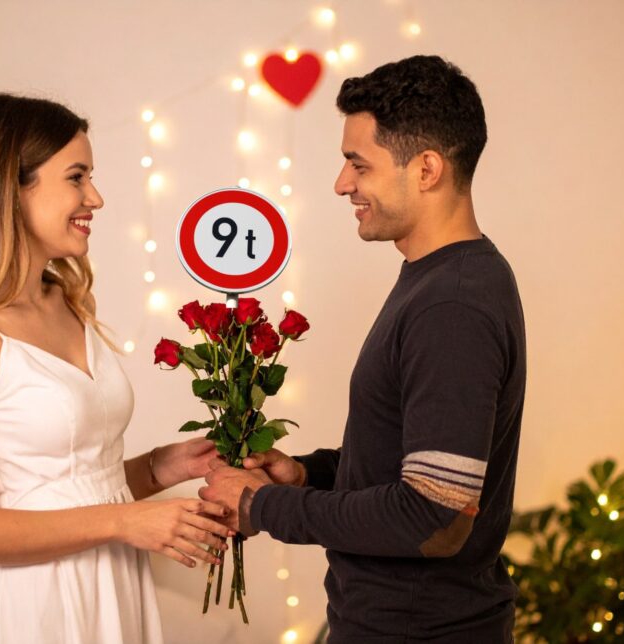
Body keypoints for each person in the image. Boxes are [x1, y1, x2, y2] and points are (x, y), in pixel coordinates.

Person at [200, 55, 526, 642]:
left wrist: (263, 506)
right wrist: (306, 475)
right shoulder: (440, 280)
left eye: (359, 164)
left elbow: (434, 518)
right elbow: (408, 464)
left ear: (426, 169)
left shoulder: (452, 304)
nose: (342, 183)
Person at [0, 94, 232, 644]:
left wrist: (161, 467)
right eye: (77, 177)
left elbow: (66, 485)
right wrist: (125, 522)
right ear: (11, 188)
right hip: (27, 607)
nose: (95, 198)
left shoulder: (64, 300)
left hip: (111, 585)